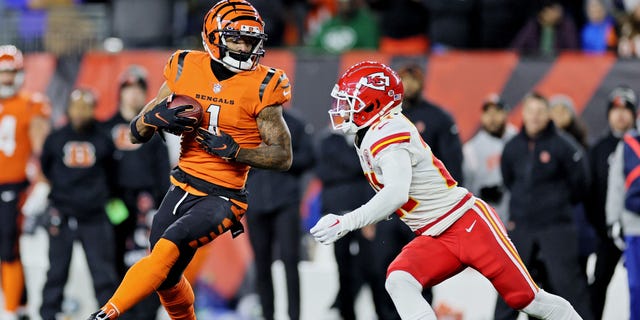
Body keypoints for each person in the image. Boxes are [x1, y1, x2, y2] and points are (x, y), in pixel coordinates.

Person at [310, 61, 583, 320]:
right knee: (399, 279)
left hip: (467, 224)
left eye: (350, 101)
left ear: (373, 102)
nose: (342, 108)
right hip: (435, 234)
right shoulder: (373, 132)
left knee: (528, 300)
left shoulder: (387, 131)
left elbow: (396, 194)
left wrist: (347, 222)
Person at [86, 1, 293, 319]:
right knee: (166, 276)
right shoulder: (184, 67)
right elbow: (135, 133)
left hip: (224, 196)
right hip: (181, 185)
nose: (245, 47)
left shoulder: (264, 85)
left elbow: (282, 156)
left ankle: (106, 313)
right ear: (213, 36)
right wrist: (154, 116)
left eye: (251, 40)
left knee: (170, 244)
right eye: (236, 38)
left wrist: (237, 152)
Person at [496, 92, 592, 320]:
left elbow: (581, 183)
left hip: (557, 227)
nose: (536, 117)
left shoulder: (564, 145)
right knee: (509, 288)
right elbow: (508, 179)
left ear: (548, 114)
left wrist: (556, 204)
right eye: (531, 111)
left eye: (541, 111)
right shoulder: (512, 147)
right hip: (521, 226)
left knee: (570, 287)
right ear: (524, 114)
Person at [38, 88, 119, 320]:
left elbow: (113, 173)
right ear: (68, 109)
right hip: (62, 214)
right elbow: (46, 168)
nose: (81, 112)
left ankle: (109, 316)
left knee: (103, 274)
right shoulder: (56, 138)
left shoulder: (103, 138)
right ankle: (48, 314)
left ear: (93, 109)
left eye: (86, 106)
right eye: (77, 106)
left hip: (95, 216)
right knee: (56, 272)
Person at [100, 65, 169, 320]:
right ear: (120, 93)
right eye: (128, 89)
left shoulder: (154, 130)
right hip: (113, 204)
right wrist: (108, 203)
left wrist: (161, 209)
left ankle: (146, 313)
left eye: (138, 89)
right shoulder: (105, 128)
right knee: (113, 259)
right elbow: (99, 171)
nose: (133, 95)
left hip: (146, 206)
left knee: (144, 262)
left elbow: (163, 171)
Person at [314, 127, 391, 320]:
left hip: (364, 215)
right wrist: (354, 168)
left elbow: (369, 172)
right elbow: (323, 172)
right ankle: (346, 313)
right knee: (343, 267)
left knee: (372, 266)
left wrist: (346, 168)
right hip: (337, 214)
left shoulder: (365, 139)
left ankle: (382, 313)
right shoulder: (327, 141)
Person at [245, 108, 314, 320]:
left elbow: (309, 157)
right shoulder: (246, 123)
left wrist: (279, 157)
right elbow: (233, 157)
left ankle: (294, 316)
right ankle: (268, 315)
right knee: (261, 263)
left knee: (290, 260)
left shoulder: (294, 123)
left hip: (286, 202)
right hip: (255, 202)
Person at [0, 44, 50, 320]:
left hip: (12, 185)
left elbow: (41, 148)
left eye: (11, 72)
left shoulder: (31, 103)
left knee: (8, 247)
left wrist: (42, 182)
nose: (7, 79)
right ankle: (18, 307)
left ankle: (9, 311)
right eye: (3, 73)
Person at [586, 85, 637, 320]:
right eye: (616, 109)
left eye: (626, 109)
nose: (621, 114)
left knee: (637, 286)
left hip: (636, 229)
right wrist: (601, 226)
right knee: (598, 286)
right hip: (605, 233)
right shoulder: (597, 149)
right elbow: (589, 190)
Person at [606, 85, 640, 320]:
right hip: (634, 227)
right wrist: (613, 221)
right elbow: (616, 187)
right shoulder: (627, 145)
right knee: (637, 287)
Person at [462, 94, 517, 223]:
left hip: (519, 215)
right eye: (488, 112)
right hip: (489, 218)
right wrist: (479, 195)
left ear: (506, 114)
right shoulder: (471, 149)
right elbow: (466, 187)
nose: (492, 117)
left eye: (497, 112)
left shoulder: (519, 139)